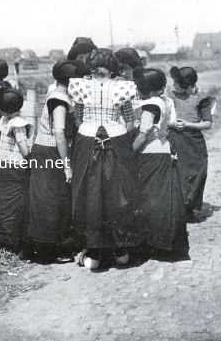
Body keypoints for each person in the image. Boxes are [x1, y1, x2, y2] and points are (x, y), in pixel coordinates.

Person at [68, 48, 140, 270]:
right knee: (116, 194)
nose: (99, 73)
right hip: (114, 140)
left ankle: (97, 250)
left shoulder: (82, 85)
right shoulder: (121, 87)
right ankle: (117, 249)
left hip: (89, 139)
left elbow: (78, 117)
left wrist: (92, 132)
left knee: (91, 194)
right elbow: (129, 121)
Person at [27, 60, 84, 263]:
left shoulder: (61, 95)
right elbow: (59, 133)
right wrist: (66, 164)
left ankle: (52, 245)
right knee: (49, 200)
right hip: (50, 150)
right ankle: (46, 249)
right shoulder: (59, 100)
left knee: (55, 199)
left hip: (50, 150)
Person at [133, 68, 188, 260]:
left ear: (145, 89)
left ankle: (153, 242)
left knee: (149, 201)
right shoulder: (163, 101)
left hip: (150, 153)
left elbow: (143, 133)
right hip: (163, 150)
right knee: (163, 200)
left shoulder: (151, 106)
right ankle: (165, 242)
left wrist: (130, 152)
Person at [0, 86, 33, 252]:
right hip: (14, 166)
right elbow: (23, 146)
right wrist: (30, 158)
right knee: (14, 202)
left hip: (0, 164)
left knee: (0, 200)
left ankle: (1, 237)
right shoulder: (18, 123)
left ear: (0, 109)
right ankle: (13, 238)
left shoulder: (4, 121)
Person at [167, 66, 215, 222]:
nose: (173, 86)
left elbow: (207, 123)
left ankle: (190, 208)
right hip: (175, 139)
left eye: (177, 84)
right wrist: (172, 124)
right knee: (178, 173)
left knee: (197, 173)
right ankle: (178, 209)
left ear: (188, 86)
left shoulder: (202, 99)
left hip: (194, 142)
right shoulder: (170, 97)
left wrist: (188, 124)